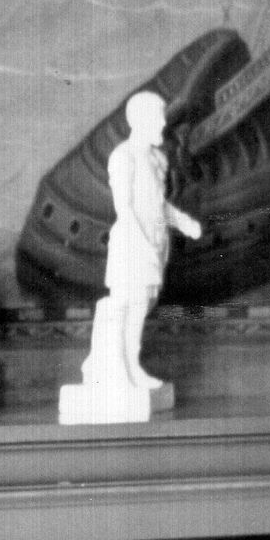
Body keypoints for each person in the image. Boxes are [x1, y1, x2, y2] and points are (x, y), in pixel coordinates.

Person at [83, 90, 202, 394]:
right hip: (133, 243)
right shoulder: (123, 156)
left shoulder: (156, 158)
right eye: (159, 117)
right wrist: (142, 246)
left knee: (144, 303)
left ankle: (116, 364)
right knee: (131, 304)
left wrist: (183, 222)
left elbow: (158, 204)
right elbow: (124, 208)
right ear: (141, 120)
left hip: (156, 241)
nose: (163, 123)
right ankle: (123, 366)